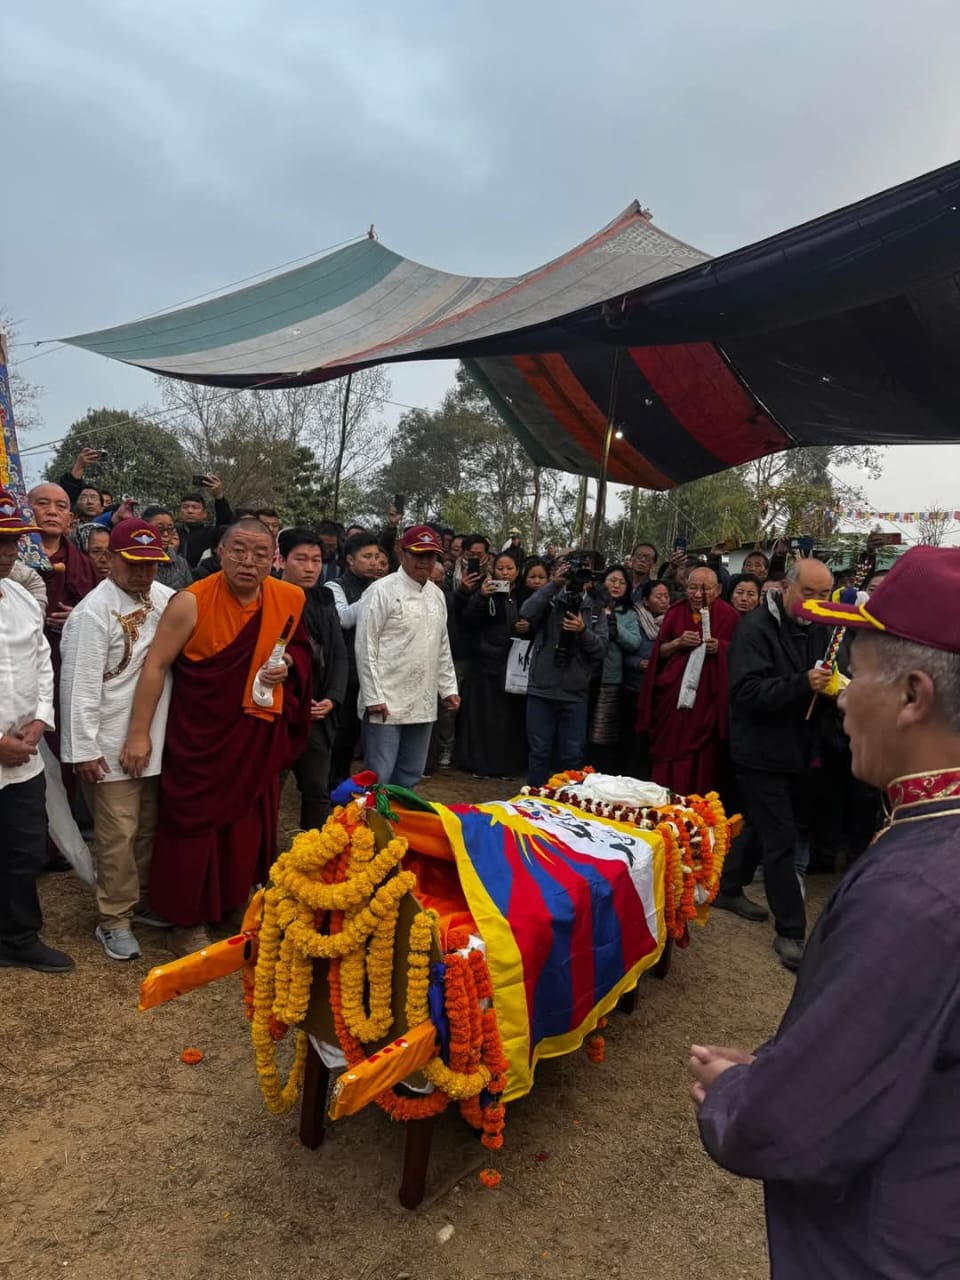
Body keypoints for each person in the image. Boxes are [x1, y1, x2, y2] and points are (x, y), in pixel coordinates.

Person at [691, 545, 960, 1277]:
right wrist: (783, 1063)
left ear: (911, 696)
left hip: (888, 1241)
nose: (844, 697)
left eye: (860, 675)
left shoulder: (920, 891)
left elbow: (790, 1126)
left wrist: (738, 1093)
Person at [121, 517, 312, 954]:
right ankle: (185, 920)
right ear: (220, 553)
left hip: (255, 730)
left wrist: (293, 668)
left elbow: (300, 651)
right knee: (191, 822)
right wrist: (138, 734)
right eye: (239, 550)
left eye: (261, 554)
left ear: (274, 560)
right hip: (201, 733)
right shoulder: (191, 601)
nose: (249, 561)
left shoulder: (289, 597)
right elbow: (156, 666)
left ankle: (231, 905)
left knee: (247, 820)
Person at [60, 519, 175, 961]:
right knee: (117, 834)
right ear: (109, 559)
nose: (144, 573)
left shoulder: (165, 601)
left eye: (152, 564)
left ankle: (139, 899)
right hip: (107, 745)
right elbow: (79, 686)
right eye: (134, 563)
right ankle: (113, 918)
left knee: (146, 828)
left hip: (153, 739)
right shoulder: (93, 612)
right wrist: (84, 750)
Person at [716, 559, 835, 970]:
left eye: (824, 596)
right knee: (780, 837)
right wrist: (802, 683)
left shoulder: (820, 629)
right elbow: (746, 692)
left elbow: (827, 677)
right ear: (786, 587)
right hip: (758, 750)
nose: (816, 603)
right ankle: (791, 933)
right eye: (809, 594)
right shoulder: (754, 629)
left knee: (757, 820)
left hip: (796, 749)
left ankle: (729, 886)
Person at [0, 491, 73, 974]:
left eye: (11, 543)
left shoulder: (22, 597)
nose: (6, 553)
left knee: (23, 848)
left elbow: (42, 664)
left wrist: (40, 718)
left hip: (22, 754)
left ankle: (17, 937)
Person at [356, 525, 459, 788]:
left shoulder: (437, 595)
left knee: (411, 774)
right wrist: (373, 696)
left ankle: (402, 824)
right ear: (403, 553)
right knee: (379, 775)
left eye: (431, 556)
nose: (424, 561)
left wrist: (447, 688)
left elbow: (442, 644)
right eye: (418, 554)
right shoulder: (381, 590)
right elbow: (365, 645)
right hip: (386, 700)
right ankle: (371, 828)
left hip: (422, 699)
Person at [636, 566, 740, 795]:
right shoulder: (676, 612)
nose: (697, 594)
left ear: (719, 590)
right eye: (692, 587)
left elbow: (741, 655)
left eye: (705, 589)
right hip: (674, 702)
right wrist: (678, 643)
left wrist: (721, 647)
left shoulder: (729, 616)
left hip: (708, 700)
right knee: (668, 749)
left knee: (704, 759)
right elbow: (659, 654)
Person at [279, 528, 348, 828]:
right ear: (280, 560)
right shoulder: (267, 596)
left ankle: (313, 856)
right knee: (269, 788)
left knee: (317, 789)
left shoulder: (323, 599)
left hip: (318, 710)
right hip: (279, 710)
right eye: (301, 559)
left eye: (316, 560)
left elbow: (338, 654)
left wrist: (332, 698)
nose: (310, 568)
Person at [520, 552, 609, 786]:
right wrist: (554, 584)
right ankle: (535, 800)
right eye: (574, 570)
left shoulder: (596, 609)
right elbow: (526, 613)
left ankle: (567, 806)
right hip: (542, 688)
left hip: (575, 692)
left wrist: (583, 630)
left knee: (572, 755)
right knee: (539, 752)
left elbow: (601, 650)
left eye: (583, 572)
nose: (578, 578)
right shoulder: (550, 600)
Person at [456, 552, 527, 778]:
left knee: (508, 719)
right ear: (493, 571)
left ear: (517, 571)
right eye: (500, 569)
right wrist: (480, 597)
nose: (505, 573)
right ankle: (479, 764)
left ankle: (506, 765)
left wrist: (527, 626)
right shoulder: (485, 592)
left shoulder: (523, 595)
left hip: (514, 666)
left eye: (509, 568)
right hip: (486, 663)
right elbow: (468, 620)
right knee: (483, 717)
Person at [324, 530, 382, 785]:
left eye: (377, 557)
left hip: (373, 671)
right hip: (345, 671)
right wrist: (374, 593)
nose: (373, 562)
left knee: (360, 734)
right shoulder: (334, 587)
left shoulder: (378, 587)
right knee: (341, 733)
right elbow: (345, 618)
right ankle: (332, 783)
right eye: (366, 556)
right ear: (350, 559)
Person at [588, 565, 642, 772]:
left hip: (610, 678)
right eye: (612, 580)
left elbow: (634, 642)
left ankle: (601, 772)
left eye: (622, 582)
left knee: (603, 733)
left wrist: (613, 621)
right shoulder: (590, 604)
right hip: (585, 674)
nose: (617, 585)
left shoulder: (628, 613)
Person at [177, 477, 233, 568]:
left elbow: (226, 526)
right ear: (180, 512)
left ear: (204, 514)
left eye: (195, 507)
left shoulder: (210, 534)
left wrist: (219, 497)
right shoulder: (172, 532)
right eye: (185, 507)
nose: (190, 511)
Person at [142, 505, 193, 591]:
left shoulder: (181, 562)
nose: (165, 534)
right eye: (160, 529)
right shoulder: (137, 560)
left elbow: (190, 591)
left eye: (170, 529)